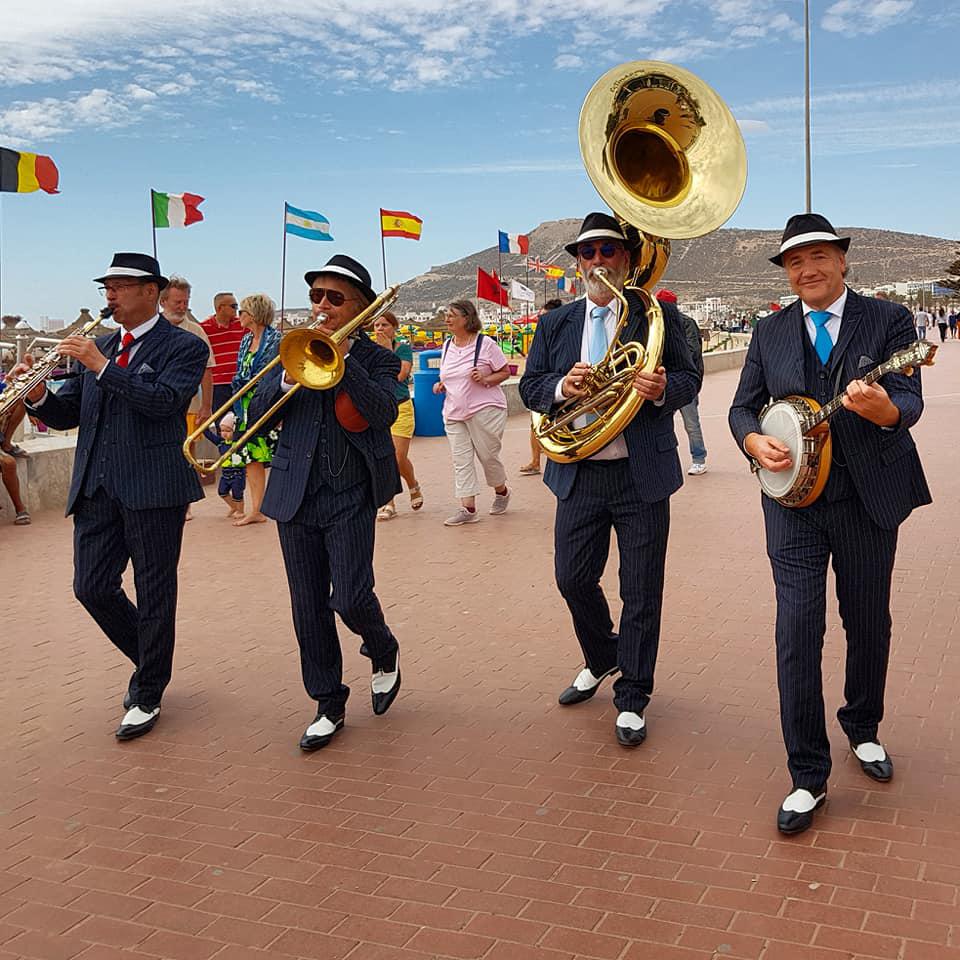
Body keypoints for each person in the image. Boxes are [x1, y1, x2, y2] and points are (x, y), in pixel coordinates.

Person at [729, 213, 931, 835]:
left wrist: (889, 409)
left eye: (818, 257)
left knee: (868, 619)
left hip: (868, 501)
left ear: (843, 261)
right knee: (796, 630)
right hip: (792, 506)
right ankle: (807, 773)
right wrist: (753, 442)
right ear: (787, 273)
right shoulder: (768, 332)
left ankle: (863, 728)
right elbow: (742, 407)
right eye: (795, 261)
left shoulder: (889, 322)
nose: (808, 269)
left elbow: (911, 399)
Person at [519, 212, 700, 747]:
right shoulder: (556, 324)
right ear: (577, 263)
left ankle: (633, 696)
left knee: (641, 590)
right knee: (572, 579)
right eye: (587, 253)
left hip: (641, 473)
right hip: (579, 474)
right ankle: (603, 657)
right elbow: (530, 386)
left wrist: (664, 386)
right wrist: (560, 387)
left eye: (608, 251)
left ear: (626, 258)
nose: (597, 261)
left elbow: (689, 379)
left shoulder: (658, 318)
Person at [16, 253, 207, 739]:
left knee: (155, 590)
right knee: (92, 587)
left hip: (153, 488)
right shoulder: (101, 345)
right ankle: (151, 660)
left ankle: (148, 690)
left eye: (120, 287)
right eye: (107, 288)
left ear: (152, 292)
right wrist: (36, 396)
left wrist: (100, 365)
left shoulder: (181, 347)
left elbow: (163, 403)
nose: (110, 296)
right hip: (97, 488)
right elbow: (69, 416)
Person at [246, 254, 404, 751]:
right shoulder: (291, 351)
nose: (322, 306)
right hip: (294, 491)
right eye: (316, 296)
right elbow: (255, 411)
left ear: (359, 306)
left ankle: (382, 647)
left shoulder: (377, 358)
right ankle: (327, 703)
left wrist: (344, 359)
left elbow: (381, 412)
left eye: (334, 298)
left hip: (351, 490)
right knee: (307, 604)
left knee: (351, 595)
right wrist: (289, 378)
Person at [435, 300, 511, 525]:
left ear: (467, 319)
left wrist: (486, 379)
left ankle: (502, 491)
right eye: (446, 315)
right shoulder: (447, 345)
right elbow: (448, 376)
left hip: (485, 409)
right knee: (461, 460)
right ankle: (468, 509)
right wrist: (441, 385)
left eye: (452, 315)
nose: (447, 319)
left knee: (488, 457)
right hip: (454, 412)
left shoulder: (485, 344)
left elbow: (505, 372)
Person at [160, 275, 215, 521]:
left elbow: (207, 370)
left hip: (188, 404)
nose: (182, 307)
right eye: (177, 302)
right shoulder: (151, 329)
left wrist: (207, 406)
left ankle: (184, 502)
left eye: (185, 302)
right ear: (163, 301)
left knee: (185, 453)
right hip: (156, 404)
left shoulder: (196, 331)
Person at [231, 294, 281, 526]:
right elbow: (241, 371)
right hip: (246, 405)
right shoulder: (245, 340)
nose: (238, 316)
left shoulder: (276, 340)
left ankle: (279, 504)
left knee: (276, 456)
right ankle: (257, 509)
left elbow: (273, 374)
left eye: (242, 311)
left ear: (253, 315)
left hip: (267, 403)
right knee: (251, 458)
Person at [372, 310, 423, 520]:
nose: (380, 329)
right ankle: (388, 502)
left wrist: (386, 352)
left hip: (401, 407)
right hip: (378, 409)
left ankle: (413, 485)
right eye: (376, 326)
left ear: (393, 328)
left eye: (384, 325)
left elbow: (400, 375)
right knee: (383, 458)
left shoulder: (402, 350)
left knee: (397, 457)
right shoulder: (370, 351)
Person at [657, 289, 707, 475]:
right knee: (662, 425)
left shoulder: (686, 323)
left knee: (691, 423)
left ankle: (699, 458)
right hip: (663, 384)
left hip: (684, 383)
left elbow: (692, 352)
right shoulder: (655, 324)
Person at [520, 298, 562, 476]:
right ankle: (535, 461)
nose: (542, 321)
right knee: (535, 426)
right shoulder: (541, 336)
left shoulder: (564, 335)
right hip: (543, 388)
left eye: (545, 316)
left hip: (560, 391)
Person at [200, 292, 245, 414]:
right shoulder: (203, 328)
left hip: (240, 383)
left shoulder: (242, 325)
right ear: (220, 308)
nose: (237, 309)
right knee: (220, 423)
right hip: (217, 386)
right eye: (233, 306)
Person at [203, 411, 245, 518]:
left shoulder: (238, 442)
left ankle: (240, 511)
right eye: (222, 431)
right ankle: (233, 506)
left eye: (228, 430)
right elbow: (208, 434)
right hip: (225, 473)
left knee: (238, 494)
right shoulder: (220, 442)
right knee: (222, 492)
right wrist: (205, 422)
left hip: (238, 473)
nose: (224, 433)